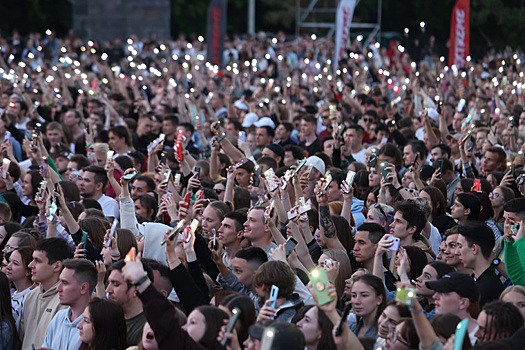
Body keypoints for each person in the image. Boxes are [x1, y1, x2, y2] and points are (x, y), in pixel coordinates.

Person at [20, 238, 74, 349]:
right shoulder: (31, 295)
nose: (30, 265)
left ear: (57, 266)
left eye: (37, 261)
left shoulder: (67, 300)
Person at [42, 259, 98, 350]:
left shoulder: (96, 324)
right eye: (59, 282)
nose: (58, 288)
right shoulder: (58, 318)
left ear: (83, 288)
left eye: (65, 283)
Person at [455, 222, 504, 307]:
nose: (457, 252)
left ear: (474, 248)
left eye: (460, 246)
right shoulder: (475, 281)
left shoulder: (489, 289)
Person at [106, 259, 153, 346]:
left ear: (135, 290)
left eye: (116, 284)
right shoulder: (111, 316)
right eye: (109, 283)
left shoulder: (148, 328)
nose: (108, 290)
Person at [426, 272, 480, 345]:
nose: (435, 296)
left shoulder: (483, 337)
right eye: (437, 291)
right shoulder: (432, 331)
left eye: (443, 292)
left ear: (463, 302)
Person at [5, 247, 33, 329]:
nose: (8, 267)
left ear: (27, 271)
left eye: (15, 263)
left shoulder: (29, 298)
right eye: (9, 261)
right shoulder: (14, 294)